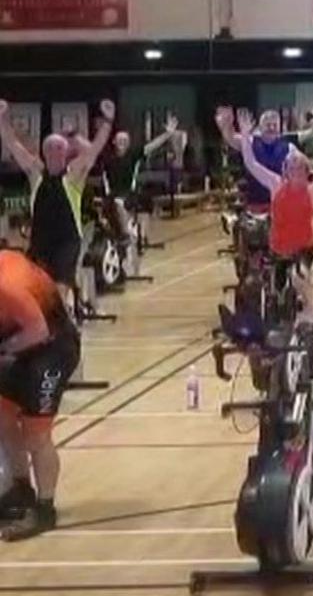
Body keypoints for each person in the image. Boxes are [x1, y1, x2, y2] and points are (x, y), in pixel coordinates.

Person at [235, 113, 313, 323]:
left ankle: (311, 313)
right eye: (291, 167)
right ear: (286, 170)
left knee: (300, 277)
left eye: (299, 168)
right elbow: (251, 163)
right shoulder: (275, 185)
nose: (295, 171)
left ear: (305, 171)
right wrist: (246, 137)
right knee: (275, 286)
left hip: (303, 247)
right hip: (278, 247)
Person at [0, 249, 80, 540]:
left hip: (52, 348)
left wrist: (5, 350)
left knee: (36, 435)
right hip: (21, 342)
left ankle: (46, 508)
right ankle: (21, 490)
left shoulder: (8, 284)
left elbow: (38, 329)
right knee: (4, 415)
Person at [0, 99, 115, 301]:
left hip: (67, 241)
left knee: (59, 292)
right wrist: (2, 119)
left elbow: (94, 150)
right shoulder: (36, 174)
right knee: (35, 294)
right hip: (40, 242)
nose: (54, 152)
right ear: (44, 153)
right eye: (50, 148)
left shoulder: (73, 177)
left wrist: (107, 121)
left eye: (58, 148)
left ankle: (61, 326)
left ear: (65, 153)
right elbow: (12, 144)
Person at [216, 108, 313, 211]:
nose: (271, 128)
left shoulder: (287, 146)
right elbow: (230, 138)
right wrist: (226, 125)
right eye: (268, 125)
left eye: (275, 125)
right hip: (255, 204)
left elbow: (310, 135)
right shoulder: (250, 141)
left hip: (280, 204)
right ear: (260, 126)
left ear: (279, 127)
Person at [99, 114, 180, 240]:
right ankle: (125, 234)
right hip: (112, 196)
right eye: (120, 140)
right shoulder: (107, 158)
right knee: (116, 203)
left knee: (146, 202)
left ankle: (141, 236)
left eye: (125, 141)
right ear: (113, 141)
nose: (122, 143)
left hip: (129, 193)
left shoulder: (133, 155)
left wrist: (167, 134)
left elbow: (152, 146)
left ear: (129, 143)